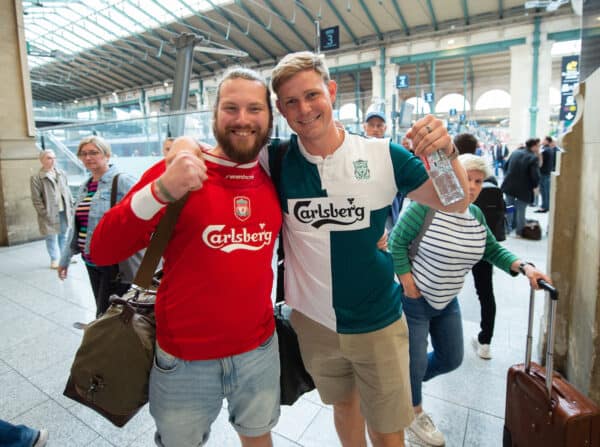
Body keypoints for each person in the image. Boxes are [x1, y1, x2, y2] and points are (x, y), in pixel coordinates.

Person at [265, 51, 469, 447]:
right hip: (314, 322)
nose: (304, 109)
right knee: (345, 407)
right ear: (280, 109)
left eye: (312, 95)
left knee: (388, 426)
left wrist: (444, 152)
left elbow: (456, 200)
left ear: (331, 91)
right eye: (291, 101)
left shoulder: (382, 155)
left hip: (378, 320)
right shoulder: (275, 159)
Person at [90, 68, 281, 447]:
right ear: (214, 115)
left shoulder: (274, 173)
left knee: (259, 435)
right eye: (231, 108)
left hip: (258, 349)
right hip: (184, 358)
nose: (243, 119)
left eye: (254, 109)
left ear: (270, 118)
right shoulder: (178, 172)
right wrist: (160, 190)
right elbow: (101, 250)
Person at [389, 153, 552, 446]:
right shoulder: (425, 207)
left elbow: (493, 250)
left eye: (479, 181)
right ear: (452, 176)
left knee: (451, 358)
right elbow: (396, 241)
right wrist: (407, 280)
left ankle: (400, 387)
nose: (474, 186)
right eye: (468, 178)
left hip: (447, 301)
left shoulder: (474, 216)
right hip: (414, 301)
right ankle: (412, 413)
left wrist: (525, 267)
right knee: (413, 364)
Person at [58, 136, 136, 320]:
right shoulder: (86, 185)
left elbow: (144, 214)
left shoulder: (122, 181)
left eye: (94, 152)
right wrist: (65, 258)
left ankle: (109, 347)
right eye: (83, 154)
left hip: (112, 262)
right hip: (90, 261)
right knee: (106, 311)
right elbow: (77, 226)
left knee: (105, 313)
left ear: (107, 155)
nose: (88, 157)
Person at [454, 133, 507, 359]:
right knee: (485, 292)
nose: (474, 186)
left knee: (448, 286)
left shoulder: (453, 174)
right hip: (481, 247)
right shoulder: (490, 179)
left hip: (458, 245)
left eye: (477, 182)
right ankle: (485, 342)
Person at [30, 149, 73, 269]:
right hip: (49, 212)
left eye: (54, 158)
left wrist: (71, 205)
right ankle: (54, 259)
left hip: (63, 210)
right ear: (42, 160)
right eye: (49, 158)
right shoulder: (36, 177)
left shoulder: (61, 173)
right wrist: (44, 213)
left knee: (63, 235)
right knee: (51, 236)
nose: (52, 160)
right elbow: (36, 199)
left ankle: (64, 259)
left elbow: (67, 191)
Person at [363, 110, 404, 230]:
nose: (375, 129)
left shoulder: (394, 152)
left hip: (388, 213)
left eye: (379, 125)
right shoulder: (355, 151)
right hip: (364, 212)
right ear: (364, 127)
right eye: (371, 125)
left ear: (385, 128)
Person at [501, 138, 541, 237]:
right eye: (538, 145)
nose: (539, 147)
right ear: (534, 146)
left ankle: (507, 229)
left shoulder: (515, 152)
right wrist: (535, 186)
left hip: (509, 186)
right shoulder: (533, 158)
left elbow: (505, 166)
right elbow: (535, 176)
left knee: (509, 207)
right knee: (520, 210)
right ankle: (519, 232)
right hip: (523, 189)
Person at [536, 135, 559, 213]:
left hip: (544, 173)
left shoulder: (545, 150)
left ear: (547, 141)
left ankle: (544, 207)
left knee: (544, 191)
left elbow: (540, 162)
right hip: (547, 173)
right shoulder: (550, 149)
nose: (542, 141)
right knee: (545, 191)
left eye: (543, 139)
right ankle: (545, 206)